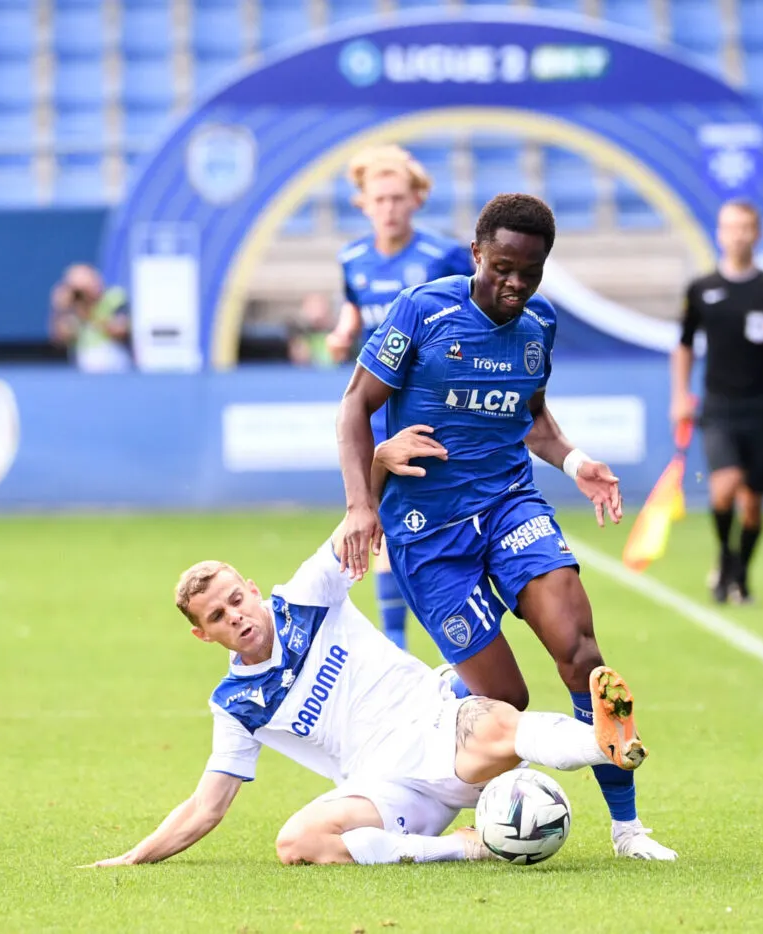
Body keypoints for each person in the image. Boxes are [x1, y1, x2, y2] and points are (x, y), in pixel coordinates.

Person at [81, 429, 649, 869]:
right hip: (382, 786)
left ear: (253, 590)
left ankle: (605, 743)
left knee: (494, 719)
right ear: (203, 635)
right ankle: (463, 847)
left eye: (236, 599)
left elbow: (359, 524)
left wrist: (376, 463)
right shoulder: (236, 703)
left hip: (433, 722)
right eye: (218, 617)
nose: (236, 616)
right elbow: (207, 807)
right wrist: (135, 856)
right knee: (296, 843)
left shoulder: (305, 595)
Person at [334, 193, 677, 860]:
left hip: (509, 508)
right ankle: (442, 703)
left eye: (530, 272)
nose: (515, 285)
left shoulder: (537, 324)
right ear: (475, 255)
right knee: (507, 704)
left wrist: (574, 461)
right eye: (501, 268)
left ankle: (628, 828)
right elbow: (356, 406)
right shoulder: (423, 311)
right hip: (429, 536)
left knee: (581, 654)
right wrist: (360, 504)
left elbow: (534, 418)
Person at [327, 143, 474, 652]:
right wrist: (344, 330)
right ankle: (398, 648)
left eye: (397, 198)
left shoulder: (443, 257)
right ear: (363, 203)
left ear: (416, 200)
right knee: (382, 526)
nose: (388, 208)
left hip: (432, 413)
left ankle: (454, 643)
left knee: (433, 527)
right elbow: (356, 305)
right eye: (379, 199)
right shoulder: (352, 259)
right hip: (377, 416)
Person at [669, 200, 763, 605]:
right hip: (718, 406)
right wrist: (680, 395)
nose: (737, 234)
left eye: (745, 227)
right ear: (719, 233)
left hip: (761, 406)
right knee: (723, 489)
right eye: (730, 227)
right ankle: (724, 557)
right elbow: (683, 346)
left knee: (752, 505)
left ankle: (740, 575)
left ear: (757, 233)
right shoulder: (701, 290)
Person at [48, 263, 133, 373]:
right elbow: (60, 339)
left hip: (114, 364)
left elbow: (120, 330)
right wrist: (59, 310)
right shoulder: (74, 307)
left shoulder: (114, 297)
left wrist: (89, 313)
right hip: (84, 367)